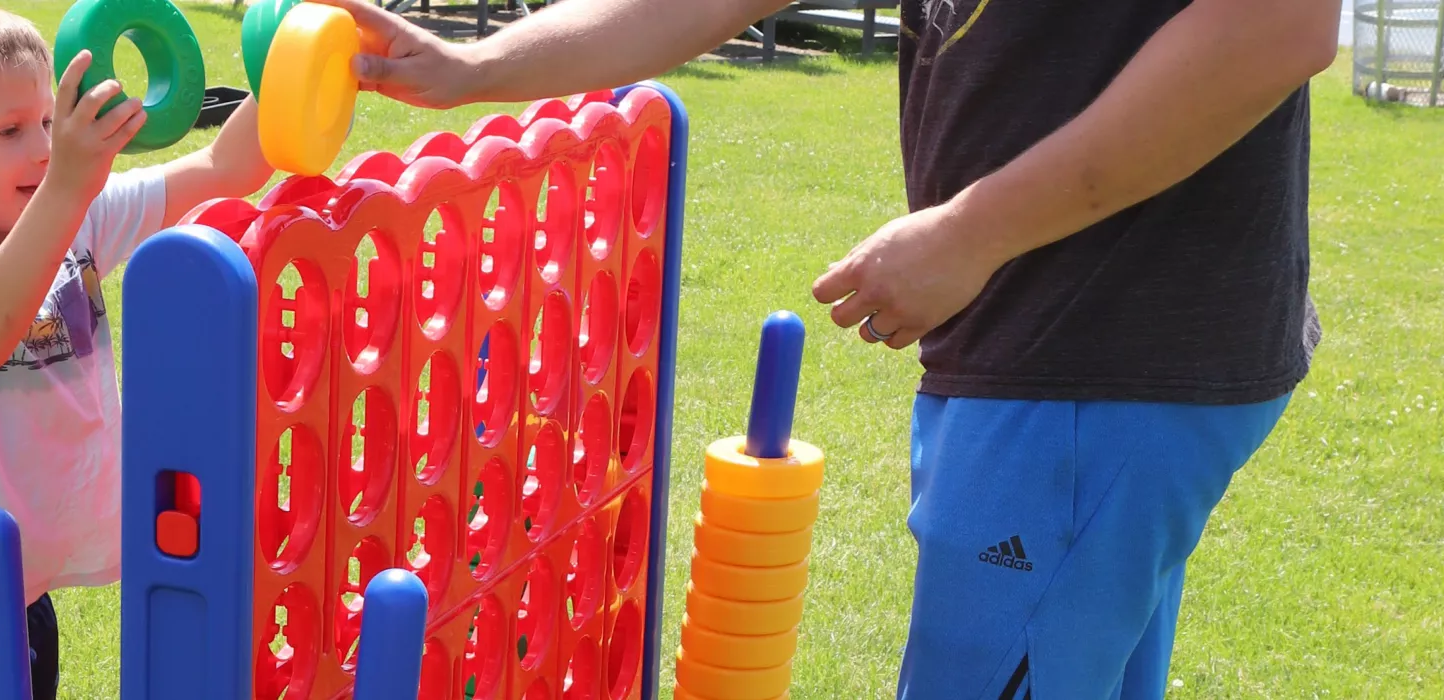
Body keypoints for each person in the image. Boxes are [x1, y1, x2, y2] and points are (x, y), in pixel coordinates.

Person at [307, 0, 1335, 696]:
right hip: (1061, 362)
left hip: (1098, 360)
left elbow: (1278, 25)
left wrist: (971, 233)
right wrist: (479, 64)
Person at [0, 0, 272, 697]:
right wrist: (67, 185)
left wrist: (290, 68)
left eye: (45, 123)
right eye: (10, 130)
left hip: (20, 592)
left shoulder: (78, 209)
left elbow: (226, 165)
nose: (43, 148)